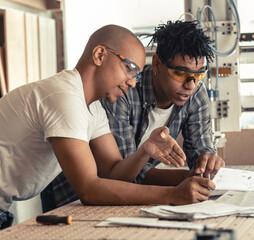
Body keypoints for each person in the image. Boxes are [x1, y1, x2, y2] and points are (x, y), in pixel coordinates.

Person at [0, 24, 215, 229]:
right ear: (100, 55)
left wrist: (144, 151)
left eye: (138, 75)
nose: (133, 82)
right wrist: (172, 195)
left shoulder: (94, 109)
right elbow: (89, 189)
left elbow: (113, 173)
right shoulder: (63, 97)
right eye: (130, 69)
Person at [41, 20, 225, 212]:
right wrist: (178, 186)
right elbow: (117, 175)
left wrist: (206, 162)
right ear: (157, 64)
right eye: (180, 73)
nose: (190, 85)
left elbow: (118, 174)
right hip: (74, 195)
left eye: (199, 76)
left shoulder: (195, 93)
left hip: (122, 192)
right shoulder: (119, 90)